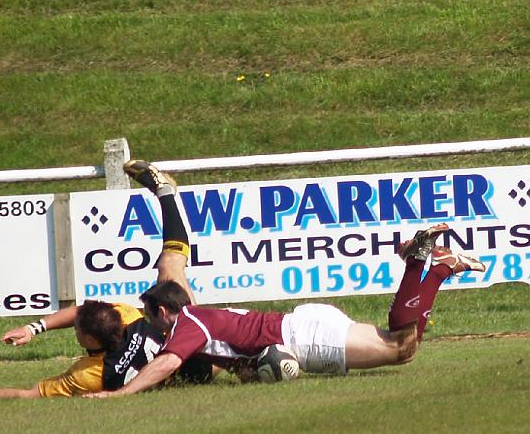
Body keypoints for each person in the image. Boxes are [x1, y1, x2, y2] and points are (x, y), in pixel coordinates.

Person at [79, 162, 486, 399]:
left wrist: (119, 395)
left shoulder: (188, 324)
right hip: (300, 332)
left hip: (304, 336)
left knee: (402, 347)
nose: (149, 324)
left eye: (152, 318)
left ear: (165, 312)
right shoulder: (193, 315)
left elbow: (168, 360)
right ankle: (439, 267)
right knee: (405, 344)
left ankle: (422, 264)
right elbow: (171, 272)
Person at [0, 160, 205, 399]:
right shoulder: (127, 317)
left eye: (77, 329)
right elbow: (84, 313)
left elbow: (29, 394)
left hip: (198, 369)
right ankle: (165, 193)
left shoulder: (89, 375)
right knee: (170, 267)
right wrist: (33, 329)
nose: (74, 328)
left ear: (91, 340)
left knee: (169, 269)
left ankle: (165, 191)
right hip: (203, 355)